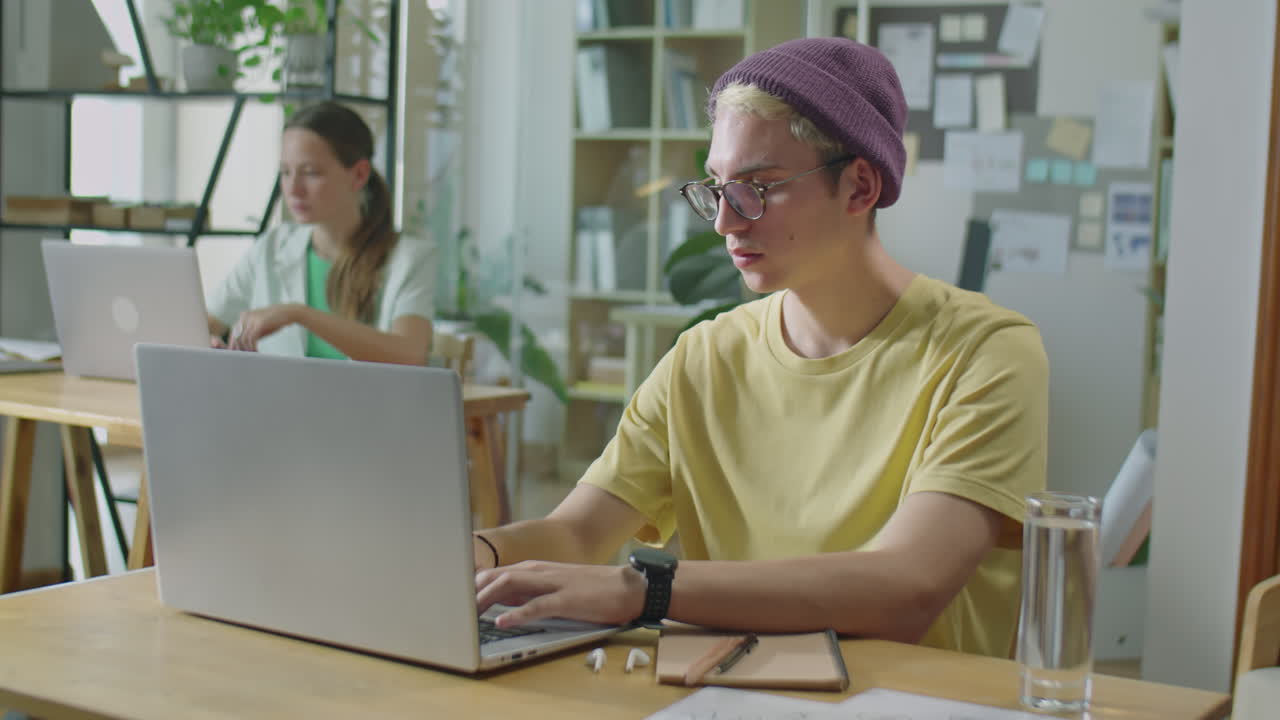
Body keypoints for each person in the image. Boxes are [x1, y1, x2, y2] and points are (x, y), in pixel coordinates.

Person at [473, 37, 1048, 658]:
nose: (725, 221)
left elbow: (906, 587)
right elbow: (577, 532)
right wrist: (477, 554)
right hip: (722, 693)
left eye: (759, 187)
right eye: (717, 187)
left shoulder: (986, 353)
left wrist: (647, 591)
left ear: (859, 188)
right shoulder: (703, 358)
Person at [207, 101, 435, 364]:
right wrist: (206, 342)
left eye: (311, 173)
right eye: (285, 172)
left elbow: (410, 353)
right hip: (275, 404)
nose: (293, 189)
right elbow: (206, 324)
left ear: (359, 175)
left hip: (364, 406)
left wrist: (298, 314)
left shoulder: (409, 258)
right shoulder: (272, 247)